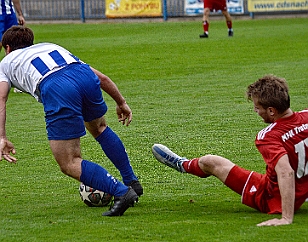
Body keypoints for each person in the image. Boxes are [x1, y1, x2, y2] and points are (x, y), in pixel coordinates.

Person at [0, 26, 143, 217]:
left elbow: (1, 98)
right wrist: (121, 102)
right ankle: (131, 180)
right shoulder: (51, 46)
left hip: (57, 86)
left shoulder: (6, 62)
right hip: (82, 76)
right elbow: (100, 77)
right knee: (100, 128)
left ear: (7, 48)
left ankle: (122, 192)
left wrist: (2, 136)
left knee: (68, 162)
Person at [152, 75, 308, 226]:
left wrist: (286, 218)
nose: (255, 111)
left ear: (271, 111)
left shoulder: (269, 136)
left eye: (257, 107)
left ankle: (183, 164)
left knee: (211, 162)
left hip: (272, 196)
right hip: (301, 188)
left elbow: (285, 171)